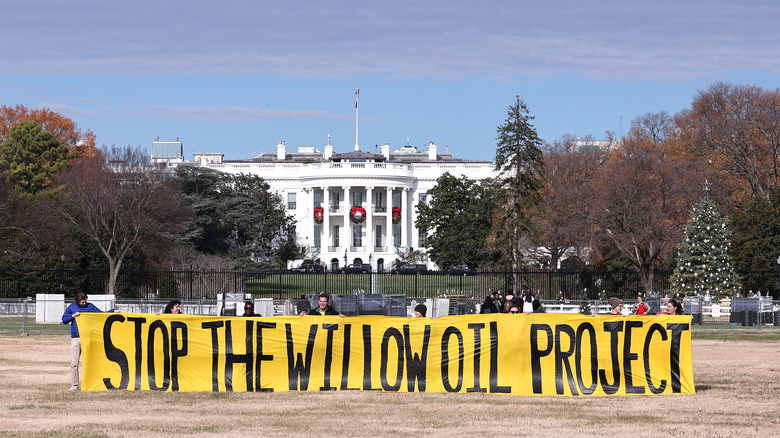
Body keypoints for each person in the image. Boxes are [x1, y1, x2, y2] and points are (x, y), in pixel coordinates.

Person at [61, 292, 109, 391]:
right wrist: (73, 316)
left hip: (88, 338)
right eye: (82, 302)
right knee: (74, 363)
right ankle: (74, 385)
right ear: (77, 300)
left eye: (85, 301)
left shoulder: (90, 306)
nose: (84, 303)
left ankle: (92, 384)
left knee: (91, 362)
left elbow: (101, 314)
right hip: (76, 338)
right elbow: (64, 320)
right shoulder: (72, 307)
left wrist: (113, 311)